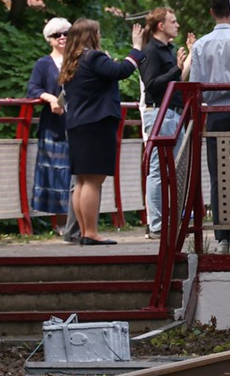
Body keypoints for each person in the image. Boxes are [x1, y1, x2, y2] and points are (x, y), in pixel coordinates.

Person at [60, 18, 145, 245]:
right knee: (94, 180)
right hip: (96, 124)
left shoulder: (73, 61)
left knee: (82, 181)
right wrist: (136, 48)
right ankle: (91, 233)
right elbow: (121, 71)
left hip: (77, 124)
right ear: (90, 35)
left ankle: (84, 232)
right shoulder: (93, 57)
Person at [193, 0, 230, 253]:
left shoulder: (201, 45)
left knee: (217, 175)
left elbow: (195, 84)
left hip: (214, 115)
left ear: (212, 12)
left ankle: (221, 238)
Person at [138, 7, 193, 239]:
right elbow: (151, 84)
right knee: (158, 169)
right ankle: (157, 224)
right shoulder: (151, 50)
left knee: (176, 167)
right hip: (160, 112)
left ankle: (173, 219)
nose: (177, 25)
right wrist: (176, 69)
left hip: (174, 112)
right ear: (161, 25)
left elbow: (177, 78)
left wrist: (189, 57)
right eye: (173, 21)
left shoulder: (168, 49)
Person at [26, 17, 77, 242]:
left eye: (66, 33)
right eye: (57, 35)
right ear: (50, 39)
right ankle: (61, 223)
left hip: (76, 124)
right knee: (55, 173)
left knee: (76, 173)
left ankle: (75, 223)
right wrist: (50, 99)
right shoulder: (43, 64)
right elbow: (32, 89)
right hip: (53, 126)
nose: (63, 37)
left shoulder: (79, 61)